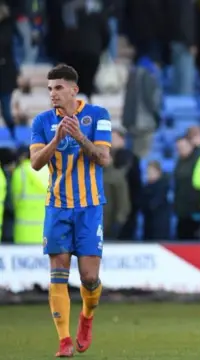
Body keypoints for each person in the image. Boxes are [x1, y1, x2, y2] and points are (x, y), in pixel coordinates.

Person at [30, 64, 112, 357]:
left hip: (89, 208)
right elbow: (36, 163)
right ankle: (64, 341)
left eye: (59, 88)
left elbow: (103, 159)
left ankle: (87, 318)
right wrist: (55, 140)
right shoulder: (41, 121)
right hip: (57, 207)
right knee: (58, 274)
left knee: (89, 278)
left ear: (74, 90)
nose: (53, 94)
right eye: (50, 89)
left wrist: (78, 136)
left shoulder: (98, 116)